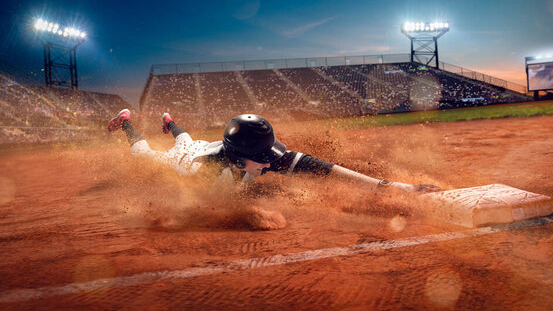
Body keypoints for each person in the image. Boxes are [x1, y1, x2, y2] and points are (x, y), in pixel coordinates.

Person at [107, 109, 440, 194]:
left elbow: (321, 167)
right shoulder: (202, 180)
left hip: (204, 147)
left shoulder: (251, 156)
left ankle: (170, 121)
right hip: (181, 161)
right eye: (263, 158)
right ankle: (126, 123)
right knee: (147, 153)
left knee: (185, 136)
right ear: (238, 160)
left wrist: (389, 186)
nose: (271, 161)